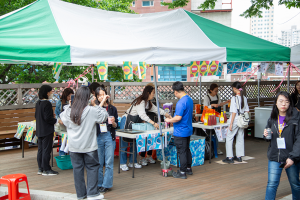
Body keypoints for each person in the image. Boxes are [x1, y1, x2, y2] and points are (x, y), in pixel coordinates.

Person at [60, 87, 108, 200]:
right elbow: (104, 117)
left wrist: (70, 105)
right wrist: (97, 105)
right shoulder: (91, 111)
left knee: (77, 170)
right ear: (87, 98)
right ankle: (92, 193)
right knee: (92, 168)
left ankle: (81, 195)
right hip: (89, 146)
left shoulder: (69, 111)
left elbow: (62, 117)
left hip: (73, 147)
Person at [120, 85, 171, 171]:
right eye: (153, 93)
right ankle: (122, 163)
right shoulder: (141, 102)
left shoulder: (148, 103)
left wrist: (167, 114)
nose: (154, 95)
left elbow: (157, 110)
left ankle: (133, 162)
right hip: (126, 121)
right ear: (148, 93)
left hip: (135, 123)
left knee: (134, 142)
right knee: (124, 142)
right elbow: (143, 115)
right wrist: (153, 123)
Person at [263, 91, 300, 200]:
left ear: (290, 104)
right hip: (275, 156)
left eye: (287, 102)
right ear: (276, 103)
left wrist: (292, 157)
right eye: (281, 101)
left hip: (291, 157)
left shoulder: (296, 118)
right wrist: (265, 135)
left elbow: (299, 139)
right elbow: (268, 135)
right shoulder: (273, 117)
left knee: (295, 184)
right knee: (271, 184)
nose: (283, 104)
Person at [91, 86, 118, 194]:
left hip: (109, 135)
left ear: (107, 94)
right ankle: (99, 184)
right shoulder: (94, 108)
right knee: (99, 162)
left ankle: (106, 185)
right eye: (99, 95)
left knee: (109, 162)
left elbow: (116, 126)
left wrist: (114, 122)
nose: (102, 97)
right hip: (98, 136)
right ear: (97, 97)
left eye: (103, 94)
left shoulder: (112, 109)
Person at [165, 81, 193, 179]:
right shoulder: (189, 99)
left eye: (174, 92)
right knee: (186, 149)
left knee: (182, 151)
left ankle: (182, 172)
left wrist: (169, 120)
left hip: (180, 131)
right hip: (188, 129)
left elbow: (178, 118)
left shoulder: (181, 102)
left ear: (176, 92)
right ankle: (188, 168)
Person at [222, 81, 249, 164]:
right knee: (240, 137)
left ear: (235, 88)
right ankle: (239, 156)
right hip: (242, 121)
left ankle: (230, 157)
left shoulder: (234, 98)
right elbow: (247, 111)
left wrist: (230, 124)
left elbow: (233, 112)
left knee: (229, 137)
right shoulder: (244, 97)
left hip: (235, 120)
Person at [35, 85, 58, 176]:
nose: (52, 93)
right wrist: (56, 120)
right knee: (46, 150)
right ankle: (46, 169)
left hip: (40, 129)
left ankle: (40, 168)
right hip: (47, 130)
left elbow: (36, 116)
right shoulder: (47, 103)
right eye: (51, 92)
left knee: (40, 150)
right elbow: (48, 118)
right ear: (47, 93)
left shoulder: (38, 103)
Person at [203, 83, 230, 155]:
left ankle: (217, 148)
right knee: (211, 132)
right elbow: (205, 107)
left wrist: (226, 102)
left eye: (217, 90)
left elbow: (219, 104)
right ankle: (210, 148)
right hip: (209, 117)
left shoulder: (218, 96)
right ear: (211, 90)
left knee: (218, 132)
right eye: (215, 91)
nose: (216, 92)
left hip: (217, 116)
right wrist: (211, 105)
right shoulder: (207, 97)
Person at [55, 88, 74, 156]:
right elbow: (56, 113)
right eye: (68, 96)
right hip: (62, 125)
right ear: (65, 95)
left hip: (71, 125)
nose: (69, 98)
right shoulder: (59, 102)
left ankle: (71, 157)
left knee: (71, 142)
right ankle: (62, 156)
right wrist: (59, 120)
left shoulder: (74, 102)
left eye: (71, 96)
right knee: (62, 140)